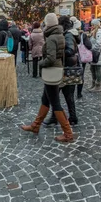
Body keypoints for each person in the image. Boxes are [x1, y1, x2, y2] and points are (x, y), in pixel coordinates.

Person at [21, 13, 74, 142]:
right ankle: (35, 125)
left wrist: (40, 63)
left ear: (48, 24)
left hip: (51, 71)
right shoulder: (59, 34)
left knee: (55, 103)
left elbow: (50, 58)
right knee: (45, 99)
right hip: (56, 69)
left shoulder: (51, 38)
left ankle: (68, 133)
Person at [44, 16, 80, 126]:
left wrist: (58, 51)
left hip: (66, 69)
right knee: (65, 95)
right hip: (68, 67)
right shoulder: (69, 34)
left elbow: (70, 50)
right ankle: (69, 117)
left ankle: (63, 118)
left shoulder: (68, 35)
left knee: (61, 94)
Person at [72, 17, 91, 99]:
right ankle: (79, 93)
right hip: (81, 57)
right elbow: (89, 46)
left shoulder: (68, 34)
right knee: (81, 74)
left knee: (71, 73)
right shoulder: (83, 35)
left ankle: (71, 92)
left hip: (72, 57)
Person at [89, 18, 101, 92]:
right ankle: (93, 84)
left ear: (96, 25)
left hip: (97, 53)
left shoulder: (99, 32)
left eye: (92, 25)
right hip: (93, 53)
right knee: (92, 69)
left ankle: (97, 86)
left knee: (97, 69)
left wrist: (93, 49)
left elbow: (98, 44)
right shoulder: (94, 31)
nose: (91, 26)